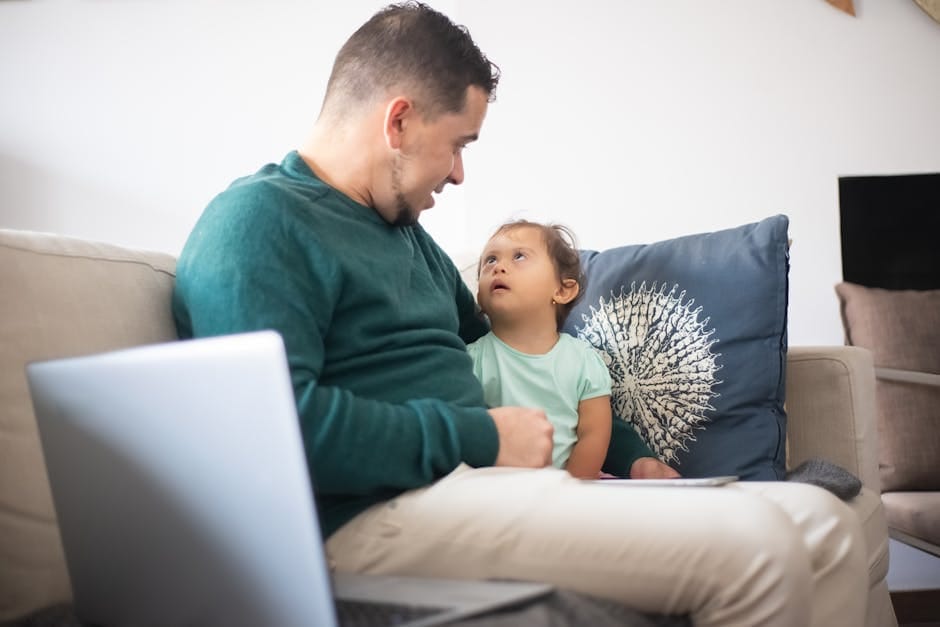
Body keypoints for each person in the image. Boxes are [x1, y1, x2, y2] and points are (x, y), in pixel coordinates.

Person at [172, 3, 868, 626]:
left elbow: (517, 354)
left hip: (471, 489)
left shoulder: (405, 238)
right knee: (763, 549)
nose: (458, 174)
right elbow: (282, 432)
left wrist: (634, 457)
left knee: (821, 526)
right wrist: (477, 436)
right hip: (362, 515)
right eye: (460, 143)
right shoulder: (257, 225)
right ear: (399, 119)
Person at [469, 220, 646, 479]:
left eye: (519, 256)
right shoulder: (470, 360)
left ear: (563, 290)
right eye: (490, 261)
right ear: (480, 299)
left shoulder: (583, 360)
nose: (499, 268)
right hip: (496, 493)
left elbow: (594, 435)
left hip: (569, 489)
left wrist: (570, 488)